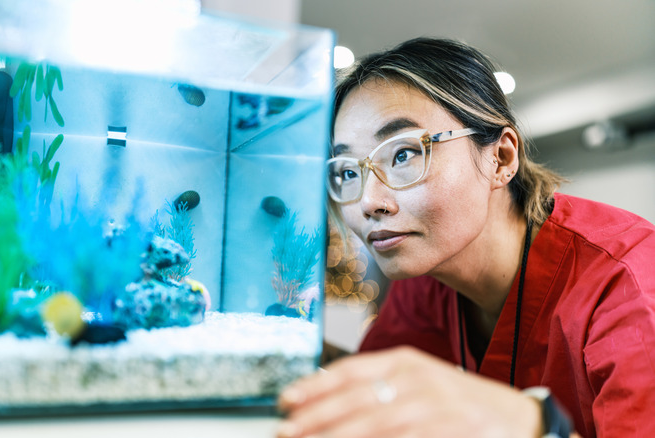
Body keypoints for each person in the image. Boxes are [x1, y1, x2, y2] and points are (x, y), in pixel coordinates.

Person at [276, 37, 655, 438]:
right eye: (349, 172)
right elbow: (377, 397)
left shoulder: (628, 283)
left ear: (501, 158)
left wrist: (531, 423)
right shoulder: (427, 275)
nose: (369, 202)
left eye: (404, 154)